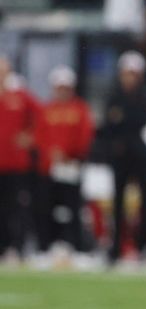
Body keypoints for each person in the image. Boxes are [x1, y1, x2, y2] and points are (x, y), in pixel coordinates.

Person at [101, 51, 146, 262]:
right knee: (117, 202)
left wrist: (123, 121)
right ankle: (115, 247)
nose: (129, 78)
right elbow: (108, 126)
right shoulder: (114, 97)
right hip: (121, 155)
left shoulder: (145, 97)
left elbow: (138, 121)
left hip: (141, 155)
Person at [33, 66, 94, 254]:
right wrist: (50, 153)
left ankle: (75, 247)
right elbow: (39, 136)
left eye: (65, 87)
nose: (62, 91)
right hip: (49, 167)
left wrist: (68, 153)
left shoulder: (80, 109)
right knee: (46, 208)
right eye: (59, 87)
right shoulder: (46, 109)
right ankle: (45, 247)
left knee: (73, 209)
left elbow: (85, 136)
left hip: (71, 166)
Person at [0, 57, 38, 259]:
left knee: (15, 206)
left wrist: (29, 136)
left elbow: (40, 115)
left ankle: (18, 246)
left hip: (15, 162)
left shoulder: (19, 95)